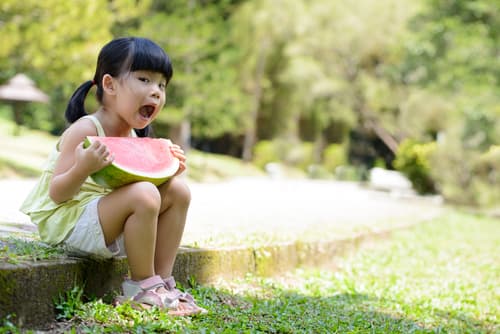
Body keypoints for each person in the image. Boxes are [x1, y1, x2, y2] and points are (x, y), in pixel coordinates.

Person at [20, 37, 206, 316]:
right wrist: (83, 168)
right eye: (144, 79)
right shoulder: (86, 129)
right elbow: (57, 193)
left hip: (107, 227)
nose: (156, 91)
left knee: (179, 190)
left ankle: (162, 283)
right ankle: (141, 289)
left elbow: (135, 190)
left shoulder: (134, 135)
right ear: (110, 85)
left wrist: (168, 171)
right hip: (69, 226)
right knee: (145, 193)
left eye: (162, 85)